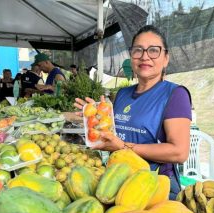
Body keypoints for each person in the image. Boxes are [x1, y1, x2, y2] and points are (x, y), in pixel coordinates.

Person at [75, 25, 192, 199]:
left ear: (166, 58)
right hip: (116, 181)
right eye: (138, 50)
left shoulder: (175, 94)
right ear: (131, 57)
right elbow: (114, 136)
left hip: (153, 186)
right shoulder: (122, 94)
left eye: (153, 50)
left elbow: (179, 152)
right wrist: (96, 119)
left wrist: (123, 147)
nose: (145, 56)